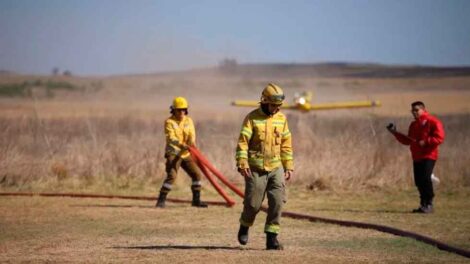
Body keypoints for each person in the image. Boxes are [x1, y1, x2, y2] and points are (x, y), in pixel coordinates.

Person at [235, 83, 294, 250]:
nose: (276, 108)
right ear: (265, 101)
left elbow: (286, 144)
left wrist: (288, 166)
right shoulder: (251, 118)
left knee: (277, 202)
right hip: (255, 169)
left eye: (278, 106)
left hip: (276, 168)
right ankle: (244, 226)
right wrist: (242, 162)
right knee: (253, 204)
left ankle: (271, 238)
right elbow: (243, 143)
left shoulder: (282, 119)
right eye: (273, 105)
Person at [387, 101, 445, 213]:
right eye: (412, 110)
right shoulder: (413, 125)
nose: (414, 112)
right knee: (419, 181)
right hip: (416, 156)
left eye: (416, 110)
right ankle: (423, 204)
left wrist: (426, 142)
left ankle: (429, 204)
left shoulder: (433, 121)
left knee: (425, 178)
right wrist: (394, 133)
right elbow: (408, 141)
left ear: (423, 109)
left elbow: (440, 137)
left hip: (429, 155)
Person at [156, 97, 208, 208]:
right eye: (179, 110)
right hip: (173, 153)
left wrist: (191, 143)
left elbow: (192, 135)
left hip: (185, 153)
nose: (181, 112)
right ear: (173, 110)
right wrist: (181, 144)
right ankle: (161, 200)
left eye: (183, 109)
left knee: (197, 175)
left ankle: (196, 201)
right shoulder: (169, 122)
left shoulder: (189, 121)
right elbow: (171, 138)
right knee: (172, 176)